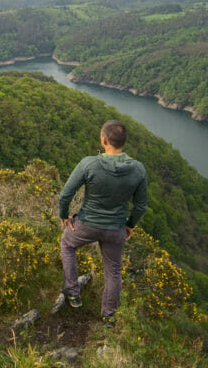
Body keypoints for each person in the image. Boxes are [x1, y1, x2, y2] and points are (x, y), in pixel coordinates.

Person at [58, 119, 148, 326]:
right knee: (114, 270)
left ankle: (73, 293)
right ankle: (108, 316)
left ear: (104, 139)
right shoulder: (138, 170)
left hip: (86, 224)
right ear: (123, 142)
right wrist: (129, 225)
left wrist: (64, 215)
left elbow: (66, 194)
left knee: (67, 244)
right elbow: (141, 206)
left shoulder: (89, 163)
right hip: (115, 229)